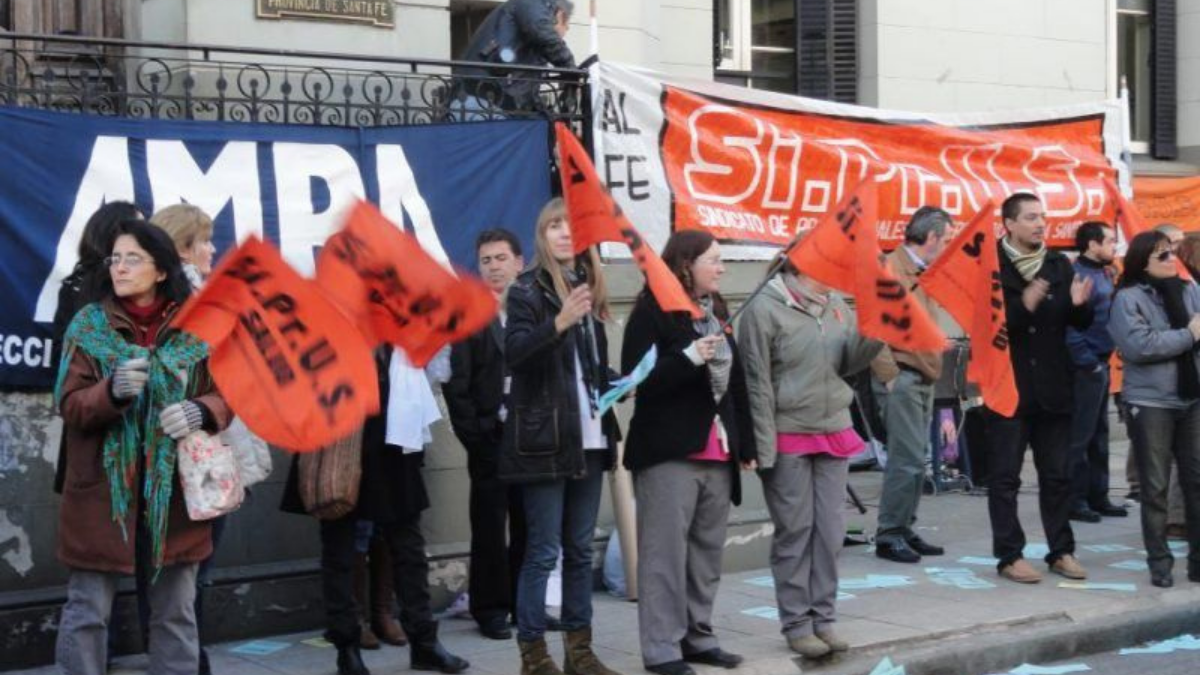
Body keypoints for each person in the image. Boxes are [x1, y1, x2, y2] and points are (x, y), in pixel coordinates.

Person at [54, 219, 231, 675]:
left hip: (174, 495)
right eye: (115, 258)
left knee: (176, 612)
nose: (119, 267)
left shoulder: (198, 325)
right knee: (88, 611)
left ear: (161, 270)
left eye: (133, 259)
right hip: (102, 494)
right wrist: (110, 393)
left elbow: (227, 394)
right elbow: (70, 405)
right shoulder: (89, 326)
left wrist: (200, 411)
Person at [281, 346, 470, 675]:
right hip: (339, 429)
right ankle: (347, 648)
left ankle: (424, 641)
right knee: (340, 548)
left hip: (394, 427)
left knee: (408, 547)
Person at [622, 230, 756, 675]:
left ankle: (698, 636)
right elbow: (636, 381)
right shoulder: (651, 311)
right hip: (669, 452)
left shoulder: (716, 311)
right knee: (663, 556)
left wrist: (746, 442)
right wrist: (689, 358)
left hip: (718, 450)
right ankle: (662, 648)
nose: (722, 268)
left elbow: (736, 382)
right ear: (685, 265)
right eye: (713, 260)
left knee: (705, 555)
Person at [737, 262, 883, 659]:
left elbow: (849, 361)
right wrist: (762, 448)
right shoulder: (763, 307)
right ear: (803, 264)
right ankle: (797, 624)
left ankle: (824, 618)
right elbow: (756, 382)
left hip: (832, 426)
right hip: (787, 431)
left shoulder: (834, 304)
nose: (837, 268)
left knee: (830, 531)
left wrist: (878, 331)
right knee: (796, 531)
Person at [501, 198, 622, 675]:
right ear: (542, 234)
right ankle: (533, 656)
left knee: (579, 550)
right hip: (545, 440)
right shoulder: (526, 290)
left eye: (574, 225)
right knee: (543, 551)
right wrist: (559, 322)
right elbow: (515, 353)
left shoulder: (588, 288)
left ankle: (580, 653)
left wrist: (620, 382)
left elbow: (584, 371)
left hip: (590, 437)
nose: (566, 233)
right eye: (555, 225)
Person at [986, 193, 1094, 585]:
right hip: (1009, 387)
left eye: (1042, 217)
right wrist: (1024, 304)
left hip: (1053, 385)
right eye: (1031, 217)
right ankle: (1009, 555)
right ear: (1009, 224)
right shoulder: (990, 265)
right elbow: (988, 325)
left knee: (1057, 475)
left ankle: (1061, 550)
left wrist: (1079, 305)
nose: (1040, 224)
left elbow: (1077, 322)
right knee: (1004, 478)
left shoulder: (1057, 263)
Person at [446, 228, 527, 641]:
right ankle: (491, 609)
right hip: (490, 438)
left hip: (530, 437)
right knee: (490, 527)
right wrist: (476, 436)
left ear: (519, 263)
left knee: (529, 524)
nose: (494, 267)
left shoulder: (533, 310)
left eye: (501, 258)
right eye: (486, 260)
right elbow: (456, 384)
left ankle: (523, 603)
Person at [1108, 230, 1200, 587]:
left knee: (1196, 482)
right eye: (1162, 255)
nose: (1171, 259)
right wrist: (1189, 335)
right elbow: (1140, 347)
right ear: (1142, 261)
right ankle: (1160, 565)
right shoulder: (1128, 298)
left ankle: (1197, 562)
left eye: (1172, 252)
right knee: (1155, 487)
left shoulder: (1189, 290)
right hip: (1150, 403)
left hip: (1191, 398)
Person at [870, 206, 953, 564]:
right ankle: (889, 533)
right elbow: (871, 323)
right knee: (905, 459)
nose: (948, 248)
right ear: (932, 237)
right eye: (947, 240)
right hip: (903, 374)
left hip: (922, 372)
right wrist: (889, 376)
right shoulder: (890, 269)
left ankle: (904, 526)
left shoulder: (920, 271)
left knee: (917, 459)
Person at [1063, 221, 1126, 523]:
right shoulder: (1076, 276)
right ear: (1092, 244)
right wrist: (1088, 362)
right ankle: (1075, 501)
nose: (1114, 245)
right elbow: (1069, 326)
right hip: (1086, 366)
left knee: (1100, 435)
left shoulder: (1106, 272)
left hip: (1101, 360)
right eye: (1110, 240)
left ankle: (1098, 496)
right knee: (1081, 436)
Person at [452, 0, 576, 115]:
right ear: (560, 15)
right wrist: (571, 69)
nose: (567, 29)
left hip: (487, 99)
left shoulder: (530, 26)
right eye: (566, 25)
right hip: (479, 99)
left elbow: (526, 85)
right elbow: (545, 35)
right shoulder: (532, 3)